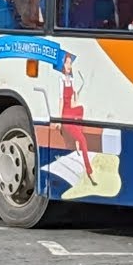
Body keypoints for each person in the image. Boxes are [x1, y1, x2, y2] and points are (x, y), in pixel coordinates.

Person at [58, 52, 95, 185]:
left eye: (70, 63)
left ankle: (78, 135)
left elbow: (73, 103)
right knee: (83, 140)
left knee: (81, 108)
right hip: (65, 115)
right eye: (67, 63)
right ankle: (89, 171)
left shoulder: (72, 80)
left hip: (71, 112)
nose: (69, 65)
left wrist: (76, 96)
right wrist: (58, 120)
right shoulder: (61, 79)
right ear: (64, 64)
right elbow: (61, 100)